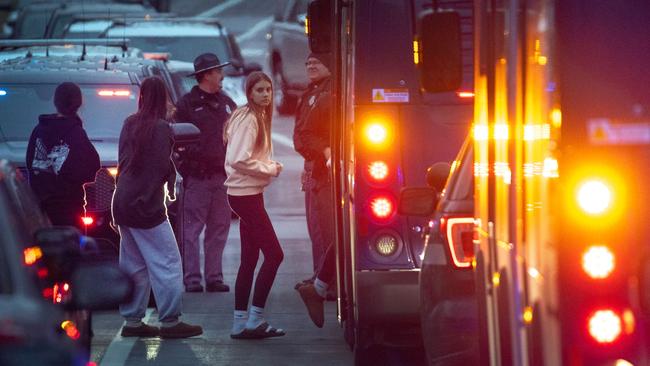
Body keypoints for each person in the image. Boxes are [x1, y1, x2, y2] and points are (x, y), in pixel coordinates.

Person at [112, 76, 202, 338]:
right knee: (168, 262)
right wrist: (172, 180)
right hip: (146, 205)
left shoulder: (129, 123)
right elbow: (163, 166)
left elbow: (124, 162)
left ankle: (132, 321)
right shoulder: (162, 128)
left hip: (123, 201)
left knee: (133, 264)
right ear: (162, 98)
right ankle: (171, 321)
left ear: (141, 97)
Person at [224, 71, 285, 339]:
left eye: (268, 90)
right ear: (249, 93)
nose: (265, 94)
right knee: (274, 255)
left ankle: (241, 323)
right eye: (259, 90)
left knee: (249, 259)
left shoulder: (253, 116)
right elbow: (238, 158)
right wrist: (270, 168)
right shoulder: (249, 119)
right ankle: (254, 319)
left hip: (247, 193)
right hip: (244, 195)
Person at [174, 53, 237, 293]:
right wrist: (190, 164)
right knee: (191, 231)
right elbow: (177, 141)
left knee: (219, 228)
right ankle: (191, 279)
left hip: (222, 177)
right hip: (198, 178)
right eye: (218, 71)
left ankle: (214, 277)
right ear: (207, 75)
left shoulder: (227, 103)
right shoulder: (186, 105)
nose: (222, 76)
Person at [26, 82, 100, 227]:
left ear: (56, 102)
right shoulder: (76, 134)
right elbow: (92, 167)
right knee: (70, 249)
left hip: (40, 209)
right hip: (69, 211)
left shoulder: (38, 131)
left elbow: (30, 163)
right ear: (78, 104)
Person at [292, 52, 335, 288]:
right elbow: (301, 133)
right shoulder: (311, 93)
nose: (310, 66)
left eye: (316, 62)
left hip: (323, 167)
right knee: (314, 225)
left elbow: (311, 133)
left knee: (324, 227)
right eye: (307, 62)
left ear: (329, 66)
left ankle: (326, 279)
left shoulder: (328, 94)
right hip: (312, 165)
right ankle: (319, 274)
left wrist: (323, 152)